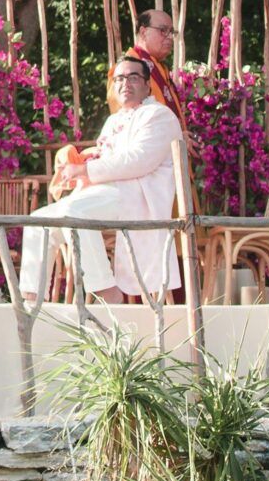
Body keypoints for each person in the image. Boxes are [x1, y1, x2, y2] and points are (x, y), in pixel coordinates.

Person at [19, 55, 185, 304]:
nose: (125, 83)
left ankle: (105, 290)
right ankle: (32, 299)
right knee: (37, 220)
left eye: (133, 77)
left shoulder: (159, 115)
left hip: (136, 195)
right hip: (104, 192)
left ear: (147, 85)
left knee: (74, 213)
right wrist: (82, 163)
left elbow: (139, 160)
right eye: (119, 78)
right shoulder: (113, 120)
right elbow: (106, 156)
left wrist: (86, 171)